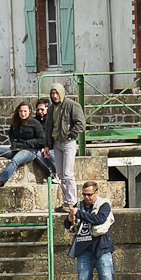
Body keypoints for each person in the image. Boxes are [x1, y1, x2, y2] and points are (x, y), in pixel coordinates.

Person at [65, 180, 118, 280]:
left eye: (89, 194)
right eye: (84, 194)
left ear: (96, 193)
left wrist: (80, 214)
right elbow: (66, 224)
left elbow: (99, 219)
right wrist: (70, 217)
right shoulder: (79, 205)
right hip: (84, 250)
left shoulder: (104, 205)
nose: (86, 197)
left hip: (102, 249)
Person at [0, 101, 52, 188]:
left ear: (29, 111)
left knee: (15, 160)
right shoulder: (15, 123)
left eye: (25, 111)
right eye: (21, 111)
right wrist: (14, 144)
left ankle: (1, 180)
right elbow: (11, 135)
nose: (23, 113)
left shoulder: (35, 123)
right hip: (16, 148)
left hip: (29, 151)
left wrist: (27, 143)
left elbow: (41, 140)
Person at [45, 83, 86, 211]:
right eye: (52, 93)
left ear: (61, 93)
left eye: (56, 93)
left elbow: (81, 124)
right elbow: (48, 128)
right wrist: (47, 145)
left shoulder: (72, 105)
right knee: (60, 174)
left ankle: (72, 202)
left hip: (68, 142)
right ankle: (65, 201)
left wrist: (70, 134)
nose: (55, 96)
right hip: (56, 143)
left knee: (68, 173)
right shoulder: (51, 109)